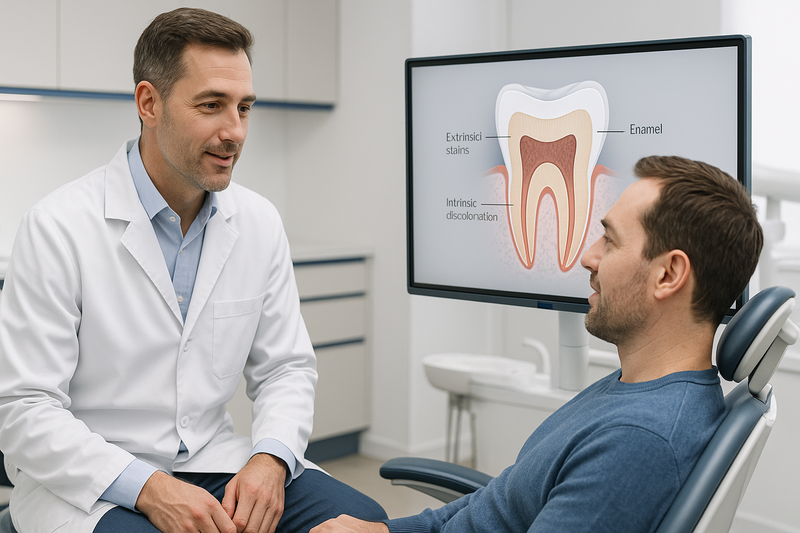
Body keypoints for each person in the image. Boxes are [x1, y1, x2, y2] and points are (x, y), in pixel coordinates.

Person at [0, 8, 386, 533]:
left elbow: (286, 369)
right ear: (149, 103)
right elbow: (24, 407)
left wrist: (270, 458)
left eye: (244, 107)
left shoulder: (258, 221)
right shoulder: (58, 226)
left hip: (214, 460)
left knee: (362, 523)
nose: (235, 131)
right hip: (92, 481)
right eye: (211, 106)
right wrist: (150, 487)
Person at [311, 155, 764, 533]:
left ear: (668, 274)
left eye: (610, 240)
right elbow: (498, 506)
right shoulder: (634, 385)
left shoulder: (638, 440)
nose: (588, 255)